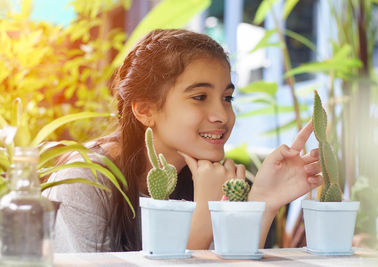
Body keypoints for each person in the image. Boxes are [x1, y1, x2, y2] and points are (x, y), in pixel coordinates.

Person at [43, 29, 321, 252]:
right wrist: (202, 216)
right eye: (200, 97)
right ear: (144, 109)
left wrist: (263, 202)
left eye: (227, 98)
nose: (222, 115)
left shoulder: (207, 178)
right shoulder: (85, 180)